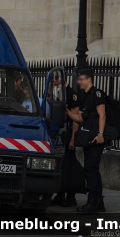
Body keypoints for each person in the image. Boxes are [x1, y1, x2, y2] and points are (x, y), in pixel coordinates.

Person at [67, 67, 106, 214]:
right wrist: (67, 111)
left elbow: (102, 115)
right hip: (89, 138)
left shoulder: (96, 94)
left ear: (89, 79)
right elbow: (80, 118)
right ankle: (99, 203)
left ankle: (93, 202)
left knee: (90, 170)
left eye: (81, 79)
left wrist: (101, 134)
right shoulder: (85, 96)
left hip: (96, 138)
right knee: (91, 169)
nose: (79, 82)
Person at [51, 76, 80, 207]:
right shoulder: (57, 92)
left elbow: (76, 118)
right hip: (59, 134)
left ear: (61, 80)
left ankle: (70, 196)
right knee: (60, 165)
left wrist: (73, 138)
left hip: (67, 133)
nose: (53, 83)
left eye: (54, 80)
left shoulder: (71, 94)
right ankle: (60, 194)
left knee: (69, 165)